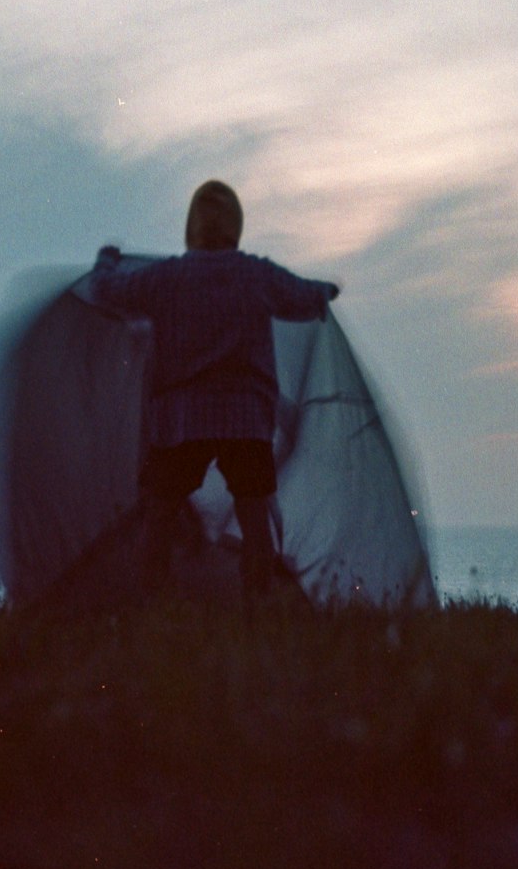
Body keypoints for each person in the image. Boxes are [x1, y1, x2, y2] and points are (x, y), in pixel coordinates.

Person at [90, 180, 339, 597]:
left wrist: (106, 260)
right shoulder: (255, 274)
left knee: (161, 510)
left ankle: (151, 604)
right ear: (236, 227)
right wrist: (327, 291)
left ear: (192, 227)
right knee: (253, 510)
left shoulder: (167, 278)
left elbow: (105, 292)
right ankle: (256, 607)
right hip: (245, 417)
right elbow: (304, 297)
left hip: (181, 418)